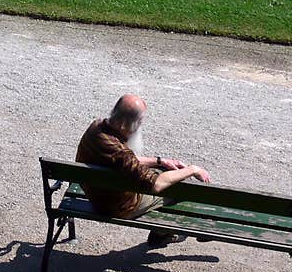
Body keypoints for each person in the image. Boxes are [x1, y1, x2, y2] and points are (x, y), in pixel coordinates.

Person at [76, 94, 211, 243]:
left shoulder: (97, 127)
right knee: (181, 186)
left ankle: (162, 232)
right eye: (140, 121)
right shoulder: (122, 153)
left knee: (168, 173)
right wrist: (192, 169)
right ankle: (176, 231)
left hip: (95, 194)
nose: (141, 125)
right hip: (117, 206)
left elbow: (121, 160)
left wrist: (160, 161)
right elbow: (155, 184)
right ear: (127, 124)